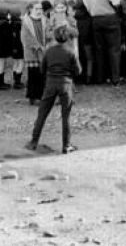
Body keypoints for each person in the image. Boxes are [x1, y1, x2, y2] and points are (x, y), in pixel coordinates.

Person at [24, 24, 81, 154]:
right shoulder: (71, 51)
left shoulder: (49, 51)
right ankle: (66, 146)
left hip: (50, 83)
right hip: (66, 84)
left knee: (42, 114)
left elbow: (42, 69)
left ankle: (33, 142)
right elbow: (78, 71)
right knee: (66, 116)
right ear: (67, 38)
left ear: (54, 37)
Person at [82, 0, 123, 86]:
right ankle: (115, 78)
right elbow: (116, 2)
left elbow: (87, 6)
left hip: (95, 20)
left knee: (99, 50)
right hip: (110, 19)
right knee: (114, 49)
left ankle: (101, 77)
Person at [21, 1, 47, 104]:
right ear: (30, 9)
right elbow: (25, 37)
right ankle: (33, 96)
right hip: (32, 52)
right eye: (36, 9)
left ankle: (41, 96)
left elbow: (49, 32)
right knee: (33, 74)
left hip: (43, 51)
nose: (39, 11)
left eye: (40, 9)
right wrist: (37, 46)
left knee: (42, 74)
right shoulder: (26, 22)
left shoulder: (45, 20)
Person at [0, 10, 23, 90]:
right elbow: (9, 36)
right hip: (3, 48)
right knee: (1, 66)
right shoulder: (6, 24)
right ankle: (0, 84)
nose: (8, 16)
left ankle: (0, 82)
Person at [71, 0, 93, 84]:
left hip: (81, 34)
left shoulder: (77, 8)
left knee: (81, 56)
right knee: (89, 56)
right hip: (87, 33)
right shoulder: (88, 5)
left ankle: (80, 76)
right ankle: (89, 76)